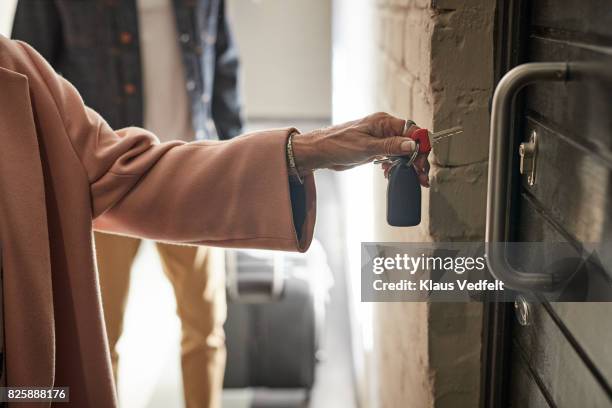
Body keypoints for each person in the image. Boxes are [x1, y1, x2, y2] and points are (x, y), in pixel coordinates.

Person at [0, 35, 429, 407]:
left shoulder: (15, 73)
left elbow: (130, 171)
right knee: (111, 330)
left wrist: (307, 150)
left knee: (205, 326)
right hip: (97, 219)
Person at [11, 1, 242, 406]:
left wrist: (234, 165)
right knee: (97, 337)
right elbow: (25, 80)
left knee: (206, 327)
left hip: (194, 173)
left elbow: (224, 65)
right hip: (104, 186)